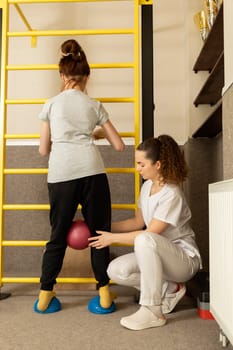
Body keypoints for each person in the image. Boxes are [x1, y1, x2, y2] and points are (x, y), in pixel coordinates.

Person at [35, 39, 125, 313]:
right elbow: (119, 145)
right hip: (92, 172)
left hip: (61, 174)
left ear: (62, 76)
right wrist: (92, 133)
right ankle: (105, 293)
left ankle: (44, 295)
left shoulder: (51, 104)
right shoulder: (94, 105)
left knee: (57, 235)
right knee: (100, 233)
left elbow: (42, 150)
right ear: (87, 77)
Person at [89, 135, 202, 330]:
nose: (137, 168)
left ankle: (153, 311)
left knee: (145, 239)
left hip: (183, 261)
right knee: (115, 270)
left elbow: (149, 234)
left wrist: (112, 239)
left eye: (141, 164)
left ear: (157, 164)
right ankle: (170, 289)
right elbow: (137, 222)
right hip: (156, 253)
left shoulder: (172, 194)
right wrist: (101, 227)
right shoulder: (147, 186)